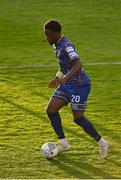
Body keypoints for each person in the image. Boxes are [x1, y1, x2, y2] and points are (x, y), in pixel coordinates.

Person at [43, 19, 109, 159]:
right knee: (51, 110)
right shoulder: (57, 45)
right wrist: (57, 77)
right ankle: (63, 143)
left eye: (48, 35)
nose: (46, 38)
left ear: (56, 33)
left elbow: (78, 64)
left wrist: (64, 79)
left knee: (78, 119)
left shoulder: (66, 45)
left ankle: (102, 143)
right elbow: (64, 66)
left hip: (80, 85)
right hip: (68, 84)